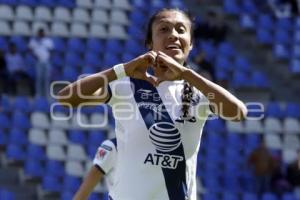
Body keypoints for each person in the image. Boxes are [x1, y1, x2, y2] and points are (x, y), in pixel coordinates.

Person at [58, 8, 247, 200]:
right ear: (150, 43)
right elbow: (66, 98)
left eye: (181, 30)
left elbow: (239, 113)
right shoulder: (126, 84)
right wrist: (122, 70)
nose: (173, 35)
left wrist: (186, 74)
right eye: (164, 29)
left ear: (190, 44)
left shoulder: (199, 90)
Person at [28, 27, 53, 98]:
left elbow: (51, 50)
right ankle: (38, 94)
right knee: (39, 78)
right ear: (38, 33)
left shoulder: (48, 41)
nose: (41, 34)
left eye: (42, 32)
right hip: (38, 62)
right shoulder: (34, 41)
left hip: (46, 61)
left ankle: (46, 94)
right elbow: (29, 49)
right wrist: (35, 56)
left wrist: (49, 57)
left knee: (46, 78)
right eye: (40, 32)